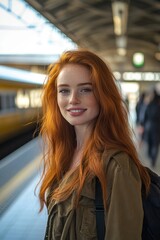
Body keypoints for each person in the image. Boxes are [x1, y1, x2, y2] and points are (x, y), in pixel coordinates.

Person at [39, 49, 150, 240]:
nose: (73, 99)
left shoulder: (118, 167)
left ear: (103, 95)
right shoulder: (64, 155)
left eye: (85, 89)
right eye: (64, 90)